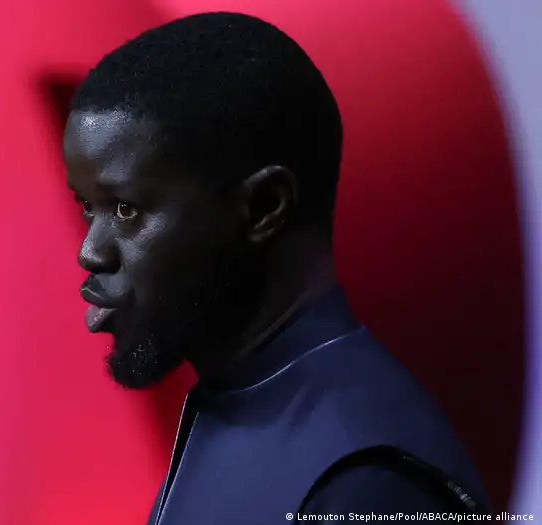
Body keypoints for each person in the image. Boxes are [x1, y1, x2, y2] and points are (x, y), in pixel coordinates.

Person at [64, 11, 491, 524]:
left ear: (264, 207)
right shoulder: (238, 401)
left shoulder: (367, 482)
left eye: (124, 209)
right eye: (87, 207)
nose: (91, 252)